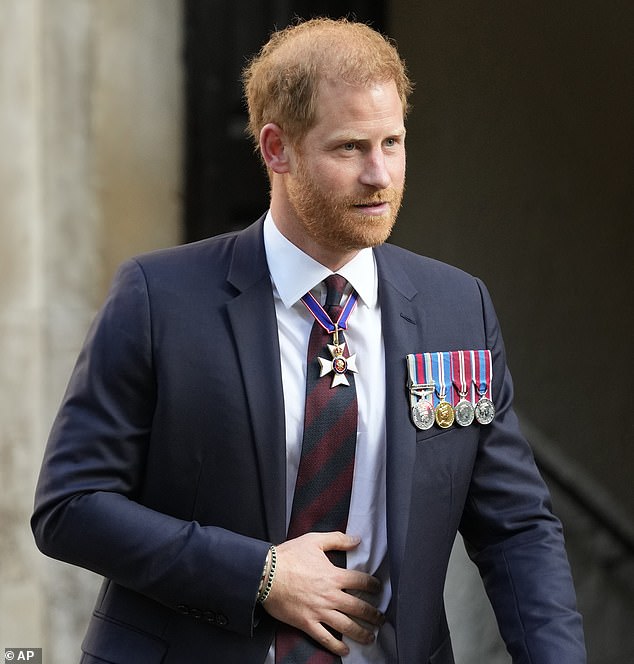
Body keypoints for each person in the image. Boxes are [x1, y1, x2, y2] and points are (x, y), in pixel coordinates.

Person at [31, 17, 586, 664]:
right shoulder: (159, 299)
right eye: (350, 148)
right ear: (276, 149)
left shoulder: (457, 308)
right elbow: (70, 507)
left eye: (393, 142)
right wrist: (260, 574)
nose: (380, 175)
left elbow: (515, 528)